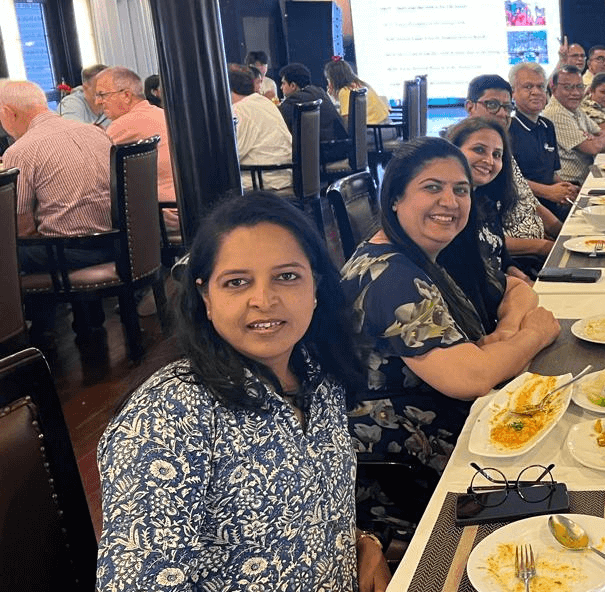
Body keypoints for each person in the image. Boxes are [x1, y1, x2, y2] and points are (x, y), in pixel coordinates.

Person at [96, 192, 390, 592]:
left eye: (287, 276)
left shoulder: (317, 372)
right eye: (237, 282)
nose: (263, 300)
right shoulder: (166, 418)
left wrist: (362, 545)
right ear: (206, 298)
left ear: (315, 286)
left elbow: (302, 515)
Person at [340, 137, 560, 535]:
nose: (450, 201)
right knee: (566, 480)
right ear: (395, 198)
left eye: (461, 190)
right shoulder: (391, 278)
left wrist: (505, 335)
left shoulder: (422, 253)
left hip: (459, 427)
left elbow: (515, 288)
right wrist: (533, 335)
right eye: (432, 187)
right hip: (411, 465)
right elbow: (469, 378)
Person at [0, 79, 113, 351]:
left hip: (70, 252)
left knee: (9, 249)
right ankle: (79, 321)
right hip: (117, 242)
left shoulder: (21, 151)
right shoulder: (96, 132)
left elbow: (21, 229)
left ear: (7, 113)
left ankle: (28, 338)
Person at [462, 73, 562, 262]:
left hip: (536, 249)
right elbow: (483, 240)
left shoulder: (501, 151)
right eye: (492, 105)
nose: (502, 113)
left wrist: (564, 234)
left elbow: (532, 203)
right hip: (517, 258)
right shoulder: (467, 162)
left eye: (507, 107)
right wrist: (543, 247)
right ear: (470, 107)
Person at [445, 116, 546, 282]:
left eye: (497, 154)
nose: (489, 161)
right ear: (453, 150)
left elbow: (502, 257)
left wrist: (524, 280)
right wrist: (517, 287)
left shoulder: (486, 201)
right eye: (479, 150)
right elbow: (471, 277)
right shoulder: (448, 210)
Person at [98, 66, 178, 231]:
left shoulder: (124, 124)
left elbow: (96, 168)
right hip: (182, 205)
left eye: (103, 95)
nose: (98, 102)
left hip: (161, 216)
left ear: (126, 95)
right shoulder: (159, 113)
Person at [507, 61, 578, 219]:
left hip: (554, 204)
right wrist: (548, 192)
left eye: (540, 87)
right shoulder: (508, 130)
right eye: (528, 87)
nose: (536, 92)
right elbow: (510, 181)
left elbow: (551, 174)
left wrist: (565, 188)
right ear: (513, 93)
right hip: (526, 211)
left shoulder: (547, 126)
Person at [543, 65, 605, 185]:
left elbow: (601, 130)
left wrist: (598, 138)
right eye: (568, 87)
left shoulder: (573, 107)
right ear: (554, 89)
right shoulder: (555, 113)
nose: (575, 93)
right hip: (571, 184)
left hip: (590, 174)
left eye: (579, 87)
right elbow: (593, 148)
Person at [229, 64, 293, 192]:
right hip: (284, 174)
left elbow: (235, 154)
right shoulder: (265, 102)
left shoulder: (239, 110)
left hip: (263, 179)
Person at [278, 62, 349, 163]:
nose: (281, 87)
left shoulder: (291, 104)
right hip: (341, 148)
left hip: (321, 156)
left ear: (293, 85)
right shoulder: (319, 92)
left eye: (283, 83)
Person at [325, 58, 390, 125]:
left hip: (371, 128)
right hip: (385, 124)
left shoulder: (345, 91)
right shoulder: (361, 84)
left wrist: (331, 98)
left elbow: (348, 120)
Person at [58, 63, 109, 128]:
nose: (107, 92)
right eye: (100, 88)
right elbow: (74, 132)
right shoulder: (71, 104)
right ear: (85, 88)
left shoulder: (113, 101)